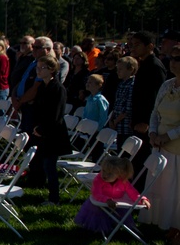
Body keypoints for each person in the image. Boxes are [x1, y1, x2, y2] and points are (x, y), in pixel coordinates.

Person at [141, 44, 180, 244]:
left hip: (177, 148)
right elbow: (155, 112)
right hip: (160, 146)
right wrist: (154, 131)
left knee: (177, 190)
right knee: (163, 189)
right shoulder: (168, 85)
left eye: (178, 59)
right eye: (172, 58)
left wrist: (169, 136)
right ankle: (167, 225)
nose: (174, 63)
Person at [128, 30, 167, 188]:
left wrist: (146, 121)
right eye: (132, 44)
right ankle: (134, 191)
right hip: (138, 119)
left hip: (146, 122)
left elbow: (155, 98)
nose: (133, 47)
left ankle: (139, 193)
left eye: (137, 45)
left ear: (150, 46)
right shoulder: (144, 64)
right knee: (137, 159)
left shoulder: (155, 66)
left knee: (143, 159)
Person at [32, 55, 72, 205]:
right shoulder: (43, 86)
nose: (38, 71)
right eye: (37, 68)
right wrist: (36, 127)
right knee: (46, 165)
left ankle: (54, 198)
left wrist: (43, 129)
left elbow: (56, 114)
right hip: (42, 130)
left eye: (41, 68)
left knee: (50, 165)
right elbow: (38, 108)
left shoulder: (58, 88)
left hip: (53, 132)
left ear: (51, 69)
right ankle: (50, 194)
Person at [74, 157, 150, 234]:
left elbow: (133, 192)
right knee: (98, 215)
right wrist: (107, 200)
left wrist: (142, 199)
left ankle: (115, 225)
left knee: (120, 213)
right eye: (103, 171)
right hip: (101, 204)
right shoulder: (98, 180)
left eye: (109, 173)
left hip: (117, 204)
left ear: (119, 174)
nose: (105, 175)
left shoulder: (123, 181)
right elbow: (96, 194)